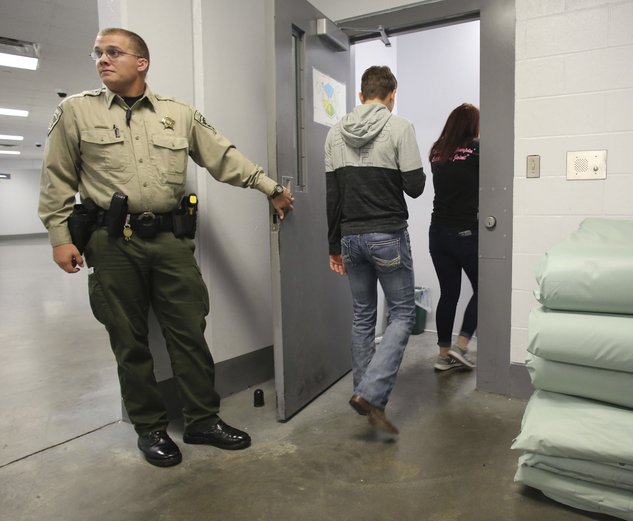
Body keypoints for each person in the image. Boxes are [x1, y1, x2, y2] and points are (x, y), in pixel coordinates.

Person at [38, 28, 294, 468]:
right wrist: (60, 238)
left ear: (142, 62)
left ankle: (202, 420)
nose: (102, 59)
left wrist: (269, 187)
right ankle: (150, 428)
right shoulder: (76, 111)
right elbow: (56, 178)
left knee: (189, 332)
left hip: (170, 241)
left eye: (113, 52)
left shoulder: (178, 114)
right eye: (97, 53)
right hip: (111, 242)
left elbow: (223, 156)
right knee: (129, 340)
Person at [325, 66, 425, 435]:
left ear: (361, 95)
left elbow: (332, 196)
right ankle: (370, 391)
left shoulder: (335, 134)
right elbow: (415, 186)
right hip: (387, 235)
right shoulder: (400, 127)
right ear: (392, 94)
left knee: (363, 317)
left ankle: (365, 397)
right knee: (401, 314)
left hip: (350, 237)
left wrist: (333, 246)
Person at [428, 103, 480, 372]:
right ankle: (461, 346)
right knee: (486, 289)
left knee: (449, 293)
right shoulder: (477, 149)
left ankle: (443, 355)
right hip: (466, 232)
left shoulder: (437, 151)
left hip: (437, 233)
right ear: (472, 124)